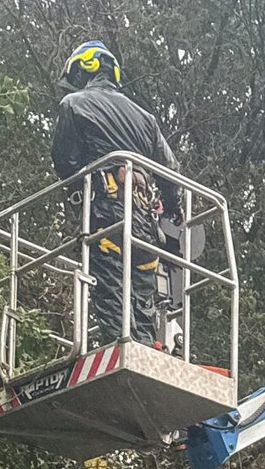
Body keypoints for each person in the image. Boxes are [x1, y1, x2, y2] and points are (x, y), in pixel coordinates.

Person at [51, 42, 181, 348]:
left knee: (113, 296)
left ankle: (121, 354)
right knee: (142, 301)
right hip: (145, 228)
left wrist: (82, 189)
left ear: (89, 66)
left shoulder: (74, 104)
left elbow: (65, 163)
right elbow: (171, 170)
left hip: (106, 217)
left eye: (79, 74)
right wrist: (171, 210)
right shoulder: (146, 119)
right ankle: (145, 354)